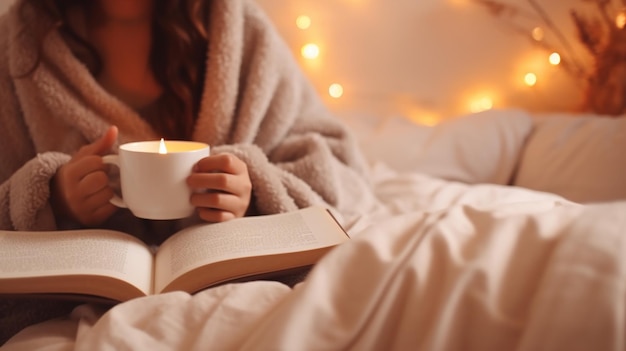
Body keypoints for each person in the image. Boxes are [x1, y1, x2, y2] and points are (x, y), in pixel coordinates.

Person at [0, 0, 378, 343]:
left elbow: (337, 164)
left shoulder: (238, 27)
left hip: (233, 288)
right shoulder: (19, 42)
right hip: (81, 294)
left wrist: (254, 188)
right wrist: (53, 197)